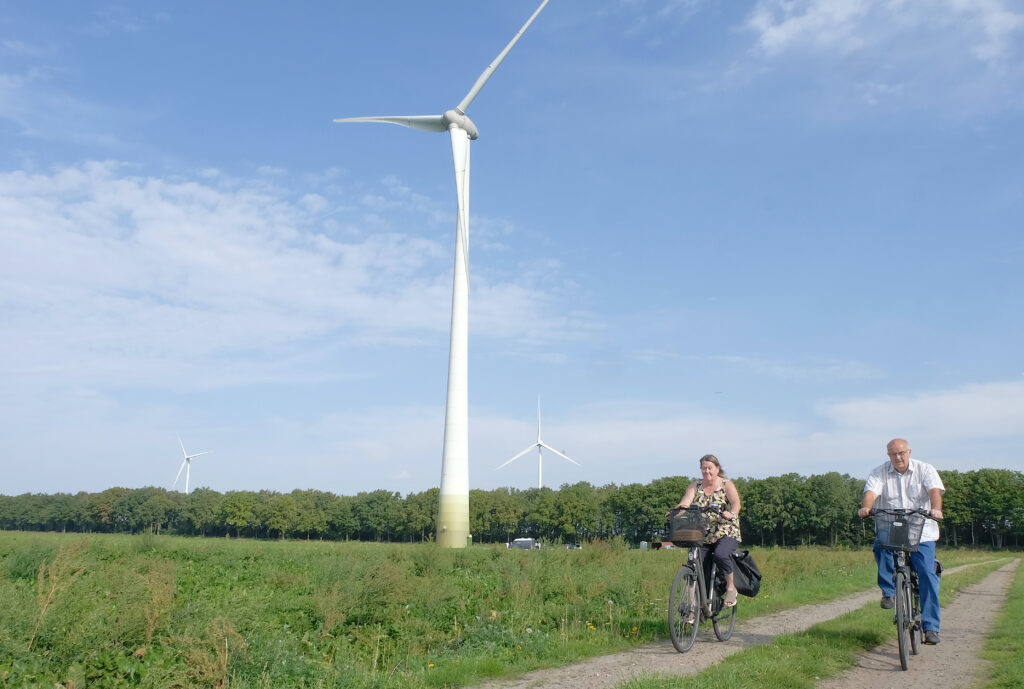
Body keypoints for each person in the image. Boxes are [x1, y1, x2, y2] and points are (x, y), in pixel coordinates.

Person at [858, 438, 944, 645]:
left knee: (926, 574)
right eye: (893, 454)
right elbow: (871, 492)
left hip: (921, 531)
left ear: (909, 452)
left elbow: (934, 490)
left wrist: (936, 508)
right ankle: (888, 592)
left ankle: (931, 628)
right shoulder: (879, 472)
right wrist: (867, 507)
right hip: (892, 528)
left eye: (901, 453)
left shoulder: (925, 469)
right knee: (880, 545)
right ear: (888, 455)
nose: (898, 457)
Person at [670, 454, 743, 608]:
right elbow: (685, 503)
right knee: (693, 566)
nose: (706, 471)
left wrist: (732, 513)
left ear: (717, 468)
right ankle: (692, 608)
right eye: (703, 468)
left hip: (725, 530)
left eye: (710, 467)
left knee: (721, 554)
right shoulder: (695, 485)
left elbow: (736, 503)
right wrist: (675, 513)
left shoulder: (725, 484)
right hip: (701, 533)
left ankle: (731, 587)